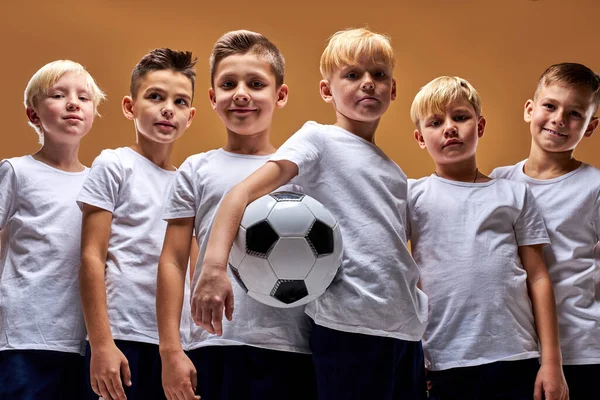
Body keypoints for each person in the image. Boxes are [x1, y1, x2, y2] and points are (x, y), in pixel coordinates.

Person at [191, 27, 428, 400]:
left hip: (405, 333)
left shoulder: (396, 172)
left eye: (379, 75)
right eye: (352, 75)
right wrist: (214, 268)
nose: (368, 83)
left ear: (393, 90)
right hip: (348, 326)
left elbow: (396, 252)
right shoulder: (317, 139)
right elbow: (241, 193)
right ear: (326, 90)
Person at [408, 75, 568, 400]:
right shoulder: (412, 196)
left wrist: (551, 362)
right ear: (420, 138)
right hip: (443, 359)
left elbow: (538, 277)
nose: (449, 128)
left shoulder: (513, 194)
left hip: (515, 356)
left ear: (479, 127)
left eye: (460, 117)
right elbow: (403, 276)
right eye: (436, 122)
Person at [78, 48, 197, 400]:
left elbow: (188, 264)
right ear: (130, 107)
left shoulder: (188, 181)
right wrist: (101, 344)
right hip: (123, 337)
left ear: (190, 116)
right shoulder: (114, 164)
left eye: (179, 102)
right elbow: (91, 258)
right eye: (155, 97)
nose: (167, 109)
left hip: (175, 343)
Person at [491, 62, 600, 399]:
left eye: (575, 113)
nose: (558, 119)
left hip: (580, 349)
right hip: (516, 346)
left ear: (591, 126)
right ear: (530, 110)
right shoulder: (499, 181)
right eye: (550, 106)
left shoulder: (594, 186)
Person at [0, 59, 105, 399]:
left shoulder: (99, 182)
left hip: (81, 340)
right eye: (58, 95)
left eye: (84, 97)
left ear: (92, 114)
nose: (73, 103)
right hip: (24, 335)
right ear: (34, 115)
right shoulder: (16, 172)